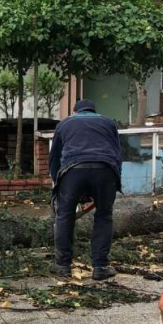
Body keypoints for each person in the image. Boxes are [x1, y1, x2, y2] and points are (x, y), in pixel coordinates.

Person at [49, 98, 122, 281]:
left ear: (75, 111)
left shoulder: (64, 124)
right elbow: (117, 154)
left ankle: (63, 266)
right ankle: (100, 267)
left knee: (65, 216)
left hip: (72, 171)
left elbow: (55, 158)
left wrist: (58, 183)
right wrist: (114, 181)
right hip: (106, 171)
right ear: (93, 111)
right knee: (104, 216)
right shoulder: (108, 123)